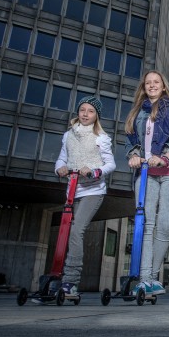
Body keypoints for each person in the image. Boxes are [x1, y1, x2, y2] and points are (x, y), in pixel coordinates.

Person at [125, 70, 169, 296]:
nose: (152, 85)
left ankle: (151, 276)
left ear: (163, 86)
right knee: (146, 224)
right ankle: (145, 280)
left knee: (165, 225)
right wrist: (133, 154)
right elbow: (130, 139)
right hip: (146, 173)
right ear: (144, 87)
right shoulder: (136, 112)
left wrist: (165, 157)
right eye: (148, 83)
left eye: (156, 82)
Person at [53, 96, 116, 299]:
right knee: (64, 232)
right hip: (72, 190)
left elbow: (110, 164)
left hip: (93, 191)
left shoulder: (101, 138)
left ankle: (70, 281)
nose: (85, 114)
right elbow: (62, 158)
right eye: (82, 110)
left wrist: (95, 171)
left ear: (96, 115)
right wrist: (60, 168)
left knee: (76, 230)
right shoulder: (68, 135)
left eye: (90, 111)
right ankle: (55, 276)